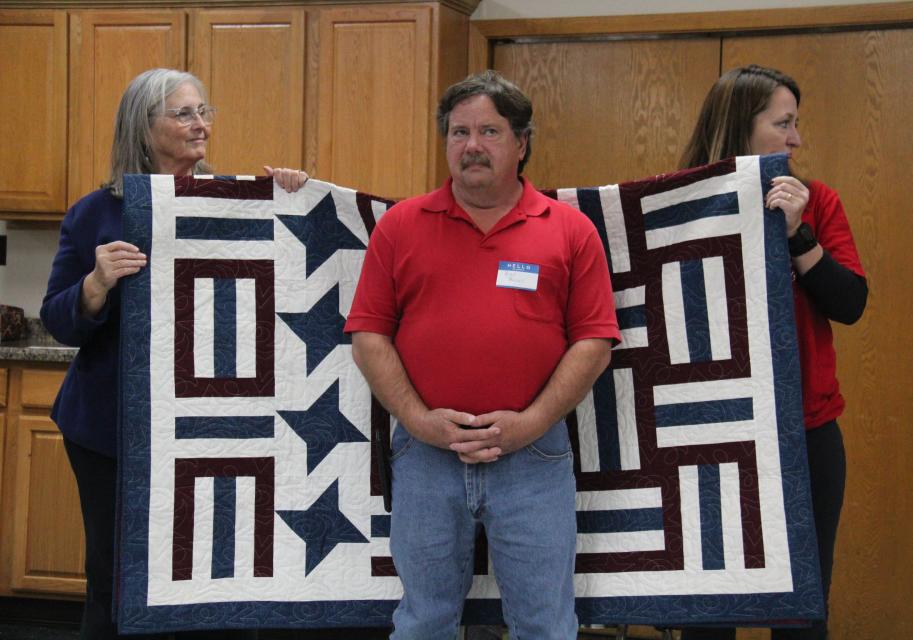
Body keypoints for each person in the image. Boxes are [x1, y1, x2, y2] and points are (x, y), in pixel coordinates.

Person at [344, 70, 621, 640]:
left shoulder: (569, 230)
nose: (471, 145)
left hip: (534, 458)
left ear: (522, 144)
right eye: (458, 132)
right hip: (425, 457)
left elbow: (593, 343)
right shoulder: (400, 226)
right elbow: (369, 337)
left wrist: (532, 423)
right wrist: (420, 422)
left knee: (545, 625)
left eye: (490, 131)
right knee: (422, 623)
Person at [40, 68, 307, 640]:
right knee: (113, 577)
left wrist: (293, 198)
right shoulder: (96, 213)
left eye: (204, 111)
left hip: (213, 433)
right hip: (112, 430)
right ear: (144, 126)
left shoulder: (234, 201)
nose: (201, 124)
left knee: (212, 576)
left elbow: (289, 281)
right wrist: (94, 285)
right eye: (184, 114)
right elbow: (58, 321)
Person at [678, 65, 868, 639]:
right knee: (709, 608)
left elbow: (851, 302)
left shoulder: (819, 202)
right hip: (710, 435)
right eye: (783, 123)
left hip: (806, 432)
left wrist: (798, 234)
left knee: (802, 608)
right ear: (742, 125)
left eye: (796, 123)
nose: (796, 139)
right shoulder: (680, 203)